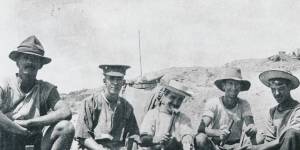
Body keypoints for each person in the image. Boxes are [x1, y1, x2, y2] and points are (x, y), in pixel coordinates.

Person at [0, 35, 75, 150]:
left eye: (35, 59)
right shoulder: (5, 84)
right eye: (25, 57)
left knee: (66, 127)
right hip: (6, 141)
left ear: (40, 65)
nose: (30, 62)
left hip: (35, 141)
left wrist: (30, 123)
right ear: (17, 62)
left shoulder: (46, 89)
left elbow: (65, 112)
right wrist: (17, 128)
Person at [75, 64, 140, 150]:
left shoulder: (127, 107)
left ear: (123, 82)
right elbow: (82, 136)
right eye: (111, 78)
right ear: (104, 81)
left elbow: (133, 135)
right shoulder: (90, 103)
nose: (115, 83)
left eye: (119, 79)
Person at [195, 67, 257, 150]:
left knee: (260, 138)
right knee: (200, 138)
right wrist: (218, 133)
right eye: (230, 83)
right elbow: (201, 128)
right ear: (224, 86)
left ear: (240, 87)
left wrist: (252, 128)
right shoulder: (213, 103)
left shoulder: (244, 104)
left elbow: (250, 123)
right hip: (215, 145)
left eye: (237, 84)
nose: (234, 88)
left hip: (236, 146)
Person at [240, 70, 300, 150]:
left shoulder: (297, 110)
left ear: (289, 87)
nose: (277, 93)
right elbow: (269, 141)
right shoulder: (273, 112)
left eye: (281, 88)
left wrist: (257, 148)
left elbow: (291, 138)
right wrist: (253, 136)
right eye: (273, 89)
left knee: (291, 134)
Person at [139, 80, 194, 150]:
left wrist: (187, 139)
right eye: (172, 97)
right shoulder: (152, 114)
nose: (175, 102)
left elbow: (187, 132)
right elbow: (144, 138)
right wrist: (156, 139)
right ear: (164, 96)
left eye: (180, 99)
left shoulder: (183, 118)